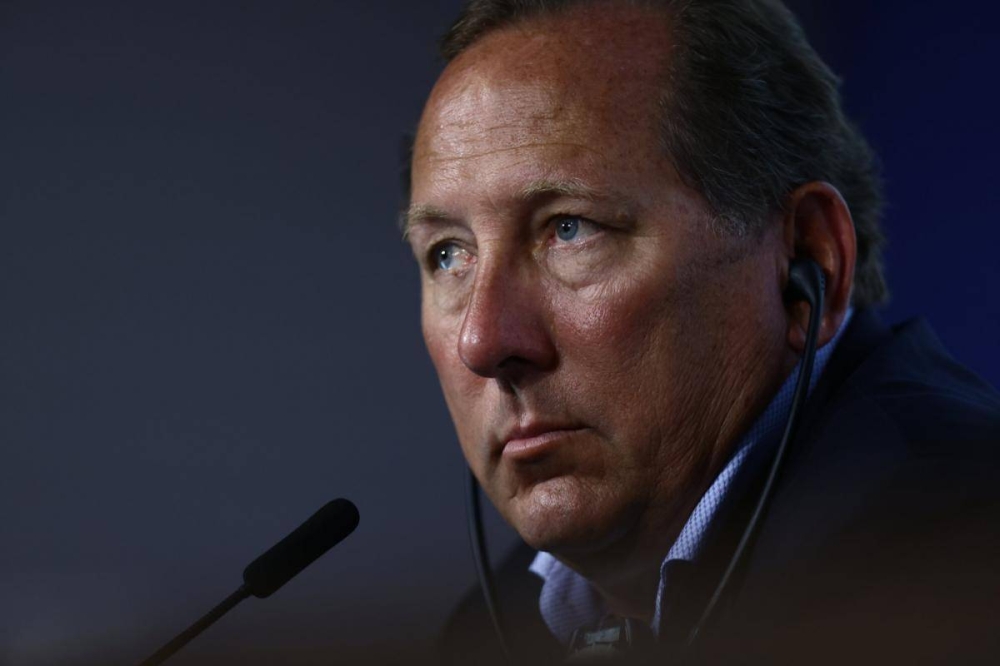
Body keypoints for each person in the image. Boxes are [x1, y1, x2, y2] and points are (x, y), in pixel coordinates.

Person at [401, 0, 1000, 663]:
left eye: (569, 229)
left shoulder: (965, 559)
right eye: (449, 254)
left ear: (807, 260)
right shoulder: (492, 632)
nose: (483, 343)